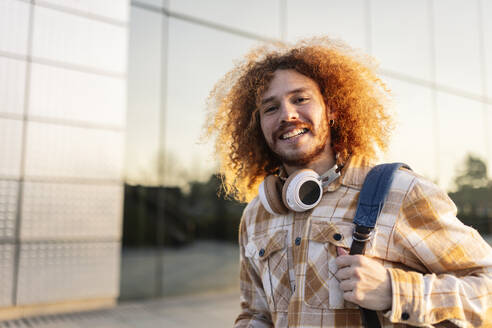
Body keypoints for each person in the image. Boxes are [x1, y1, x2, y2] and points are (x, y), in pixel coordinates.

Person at [205, 37, 492, 327]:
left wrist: (395, 291)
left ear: (332, 110)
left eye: (300, 99)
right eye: (270, 108)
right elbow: (257, 313)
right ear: (259, 126)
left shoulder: (400, 192)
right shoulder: (256, 215)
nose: (287, 115)